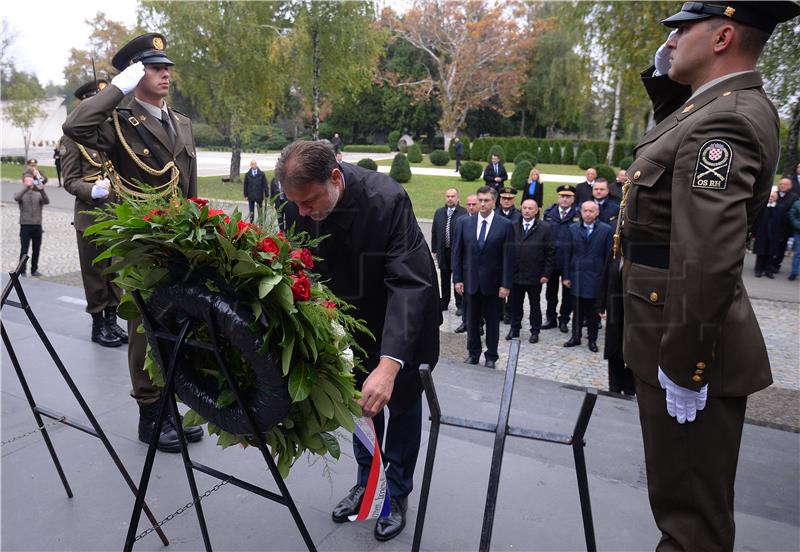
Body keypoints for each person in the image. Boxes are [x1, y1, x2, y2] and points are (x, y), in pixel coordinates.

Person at [619, 4, 799, 549]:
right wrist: (665, 77)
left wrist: (684, 366)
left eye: (681, 30)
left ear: (722, 35)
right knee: (682, 507)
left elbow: (707, 257)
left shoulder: (726, 122)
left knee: (691, 525)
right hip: (670, 334)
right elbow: (676, 138)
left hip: (686, 348)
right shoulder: (718, 108)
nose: (670, 41)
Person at [276, 140, 441, 542]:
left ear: (335, 178)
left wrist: (389, 364)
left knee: (399, 404)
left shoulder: (387, 200)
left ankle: (397, 492)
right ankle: (367, 484)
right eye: (295, 203)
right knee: (360, 409)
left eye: (310, 201)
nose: (302, 213)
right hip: (348, 321)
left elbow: (408, 282)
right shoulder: (296, 204)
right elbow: (301, 268)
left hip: (402, 319)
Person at [63, 32, 204, 453]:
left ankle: (172, 405)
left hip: (179, 240)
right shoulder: (118, 123)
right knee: (145, 325)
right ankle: (150, 414)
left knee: (177, 323)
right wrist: (117, 90)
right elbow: (76, 126)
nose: (164, 74)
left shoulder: (180, 122)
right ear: (134, 74)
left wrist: (201, 234)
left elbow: (189, 188)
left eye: (166, 67)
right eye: (153, 68)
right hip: (141, 243)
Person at [60, 78, 126, 348]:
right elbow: (70, 180)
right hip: (91, 217)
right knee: (95, 273)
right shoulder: (72, 137)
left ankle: (113, 321)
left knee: (116, 273)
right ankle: (98, 325)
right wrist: (90, 191)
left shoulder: (113, 133)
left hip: (116, 216)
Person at [452, 186, 515, 369]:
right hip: (470, 282)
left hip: (493, 284)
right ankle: (473, 353)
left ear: (493, 202)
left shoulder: (504, 225)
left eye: (486, 200)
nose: (482, 204)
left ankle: (491, 356)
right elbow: (458, 253)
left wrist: (505, 284)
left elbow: (508, 257)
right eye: (479, 200)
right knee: (471, 321)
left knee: (493, 323)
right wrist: (458, 279)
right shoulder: (464, 223)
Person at [562, 201, 613, 353]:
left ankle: (592, 339)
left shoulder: (606, 230)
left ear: (597, 213)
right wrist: (566, 276)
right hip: (577, 276)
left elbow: (608, 256)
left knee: (593, 313)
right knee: (577, 310)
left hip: (596, 277)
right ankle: (575, 336)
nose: (588, 214)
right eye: (585, 211)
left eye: (591, 211)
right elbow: (567, 254)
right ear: (581, 212)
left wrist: (606, 279)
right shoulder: (572, 229)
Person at [507, 199, 553, 343]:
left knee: (535, 304)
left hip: (535, 275)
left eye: (530, 208)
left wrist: (546, 273)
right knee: (515, 303)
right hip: (515, 274)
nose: (527, 211)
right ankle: (514, 328)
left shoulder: (545, 228)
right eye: (525, 208)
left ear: (536, 210)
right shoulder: (513, 226)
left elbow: (550, 253)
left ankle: (535, 330)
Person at [542, 185, 580, 333]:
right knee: (550, 293)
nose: (564, 199)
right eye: (562, 196)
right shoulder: (549, 213)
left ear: (573, 199)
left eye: (568, 197)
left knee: (568, 294)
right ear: (558, 197)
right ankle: (550, 318)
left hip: (569, 261)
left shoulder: (578, 215)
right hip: (551, 260)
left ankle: (564, 319)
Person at [597, 252, 635, 395]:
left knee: (633, 350)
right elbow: (605, 278)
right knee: (614, 349)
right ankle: (614, 388)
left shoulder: (642, 255)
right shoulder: (614, 253)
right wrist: (600, 304)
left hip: (634, 314)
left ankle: (630, 388)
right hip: (615, 310)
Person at [431, 188, 467, 314]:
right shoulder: (439, 212)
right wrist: (434, 249)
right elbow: (434, 231)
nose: (450, 198)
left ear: (457, 198)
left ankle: (460, 304)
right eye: (447, 196)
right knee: (444, 277)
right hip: (443, 251)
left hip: (457, 252)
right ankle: (444, 301)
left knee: (457, 278)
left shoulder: (464, 213)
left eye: (452, 196)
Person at [454, 194, 480, 334]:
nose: (471, 207)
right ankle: (465, 322)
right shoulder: (461, 221)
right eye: (468, 204)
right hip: (466, 269)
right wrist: (457, 277)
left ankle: (479, 323)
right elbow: (457, 249)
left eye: (473, 204)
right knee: (466, 299)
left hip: (482, 269)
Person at [15, 173, 49, 277]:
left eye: (30, 180)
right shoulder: (21, 194)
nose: (29, 183)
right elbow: (16, 198)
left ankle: (34, 269)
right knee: (24, 249)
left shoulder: (38, 194)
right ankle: (22, 270)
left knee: (36, 249)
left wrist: (42, 189)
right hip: (25, 225)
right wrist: (26, 187)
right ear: (23, 182)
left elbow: (46, 201)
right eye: (27, 181)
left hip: (37, 226)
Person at [751, 191, 782, 278]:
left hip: (774, 235)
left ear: (776, 198)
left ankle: (768, 270)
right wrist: (754, 233)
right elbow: (756, 221)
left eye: (773, 196)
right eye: (770, 196)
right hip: (762, 234)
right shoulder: (762, 208)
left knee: (770, 254)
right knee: (760, 253)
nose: (771, 198)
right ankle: (758, 269)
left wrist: (781, 235)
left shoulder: (780, 208)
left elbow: (783, 223)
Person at [774, 176, 799, 272]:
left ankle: (776, 264)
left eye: (785, 184)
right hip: (773, 226)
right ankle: (768, 264)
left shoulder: (794, 197)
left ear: (790, 186)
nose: (782, 186)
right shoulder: (774, 195)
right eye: (781, 184)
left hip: (785, 228)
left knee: (781, 248)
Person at [788, 197, 800, 280]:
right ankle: (794, 272)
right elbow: (791, 216)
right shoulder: (797, 204)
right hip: (799, 232)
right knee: (798, 254)